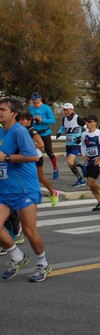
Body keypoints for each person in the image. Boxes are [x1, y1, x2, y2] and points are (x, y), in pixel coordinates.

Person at [0, 98, 52, 282]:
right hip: (5, 189)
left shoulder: (19, 131)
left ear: (13, 113)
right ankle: (17, 257)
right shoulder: (1, 131)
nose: (0, 112)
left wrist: (6, 157)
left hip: (25, 189)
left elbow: (32, 156)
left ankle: (43, 263)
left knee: (29, 230)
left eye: (3, 109)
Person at [19, 113, 60, 206]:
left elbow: (41, 144)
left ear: (29, 120)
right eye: (20, 120)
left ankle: (53, 193)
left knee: (41, 178)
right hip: (26, 158)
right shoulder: (22, 130)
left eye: (23, 120)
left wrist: (28, 147)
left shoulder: (31, 130)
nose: (21, 122)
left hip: (36, 157)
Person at [80, 115, 100, 211]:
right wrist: (84, 155)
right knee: (91, 184)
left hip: (98, 162)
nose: (88, 124)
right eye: (87, 122)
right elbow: (82, 145)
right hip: (88, 161)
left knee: (89, 181)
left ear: (95, 123)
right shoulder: (84, 134)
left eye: (90, 122)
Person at [28, 92, 59, 178]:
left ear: (40, 99)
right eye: (33, 99)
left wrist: (42, 120)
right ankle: (35, 170)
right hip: (35, 133)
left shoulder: (46, 108)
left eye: (35, 99)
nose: (34, 101)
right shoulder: (31, 108)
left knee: (49, 152)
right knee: (33, 150)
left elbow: (53, 120)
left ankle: (55, 168)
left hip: (45, 132)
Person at [56, 102, 87, 187]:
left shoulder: (78, 118)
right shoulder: (64, 119)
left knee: (69, 161)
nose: (65, 112)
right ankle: (82, 167)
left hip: (77, 144)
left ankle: (81, 179)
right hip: (68, 144)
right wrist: (59, 133)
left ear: (72, 110)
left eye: (67, 110)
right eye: (64, 110)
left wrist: (80, 138)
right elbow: (63, 127)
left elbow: (87, 129)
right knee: (70, 163)